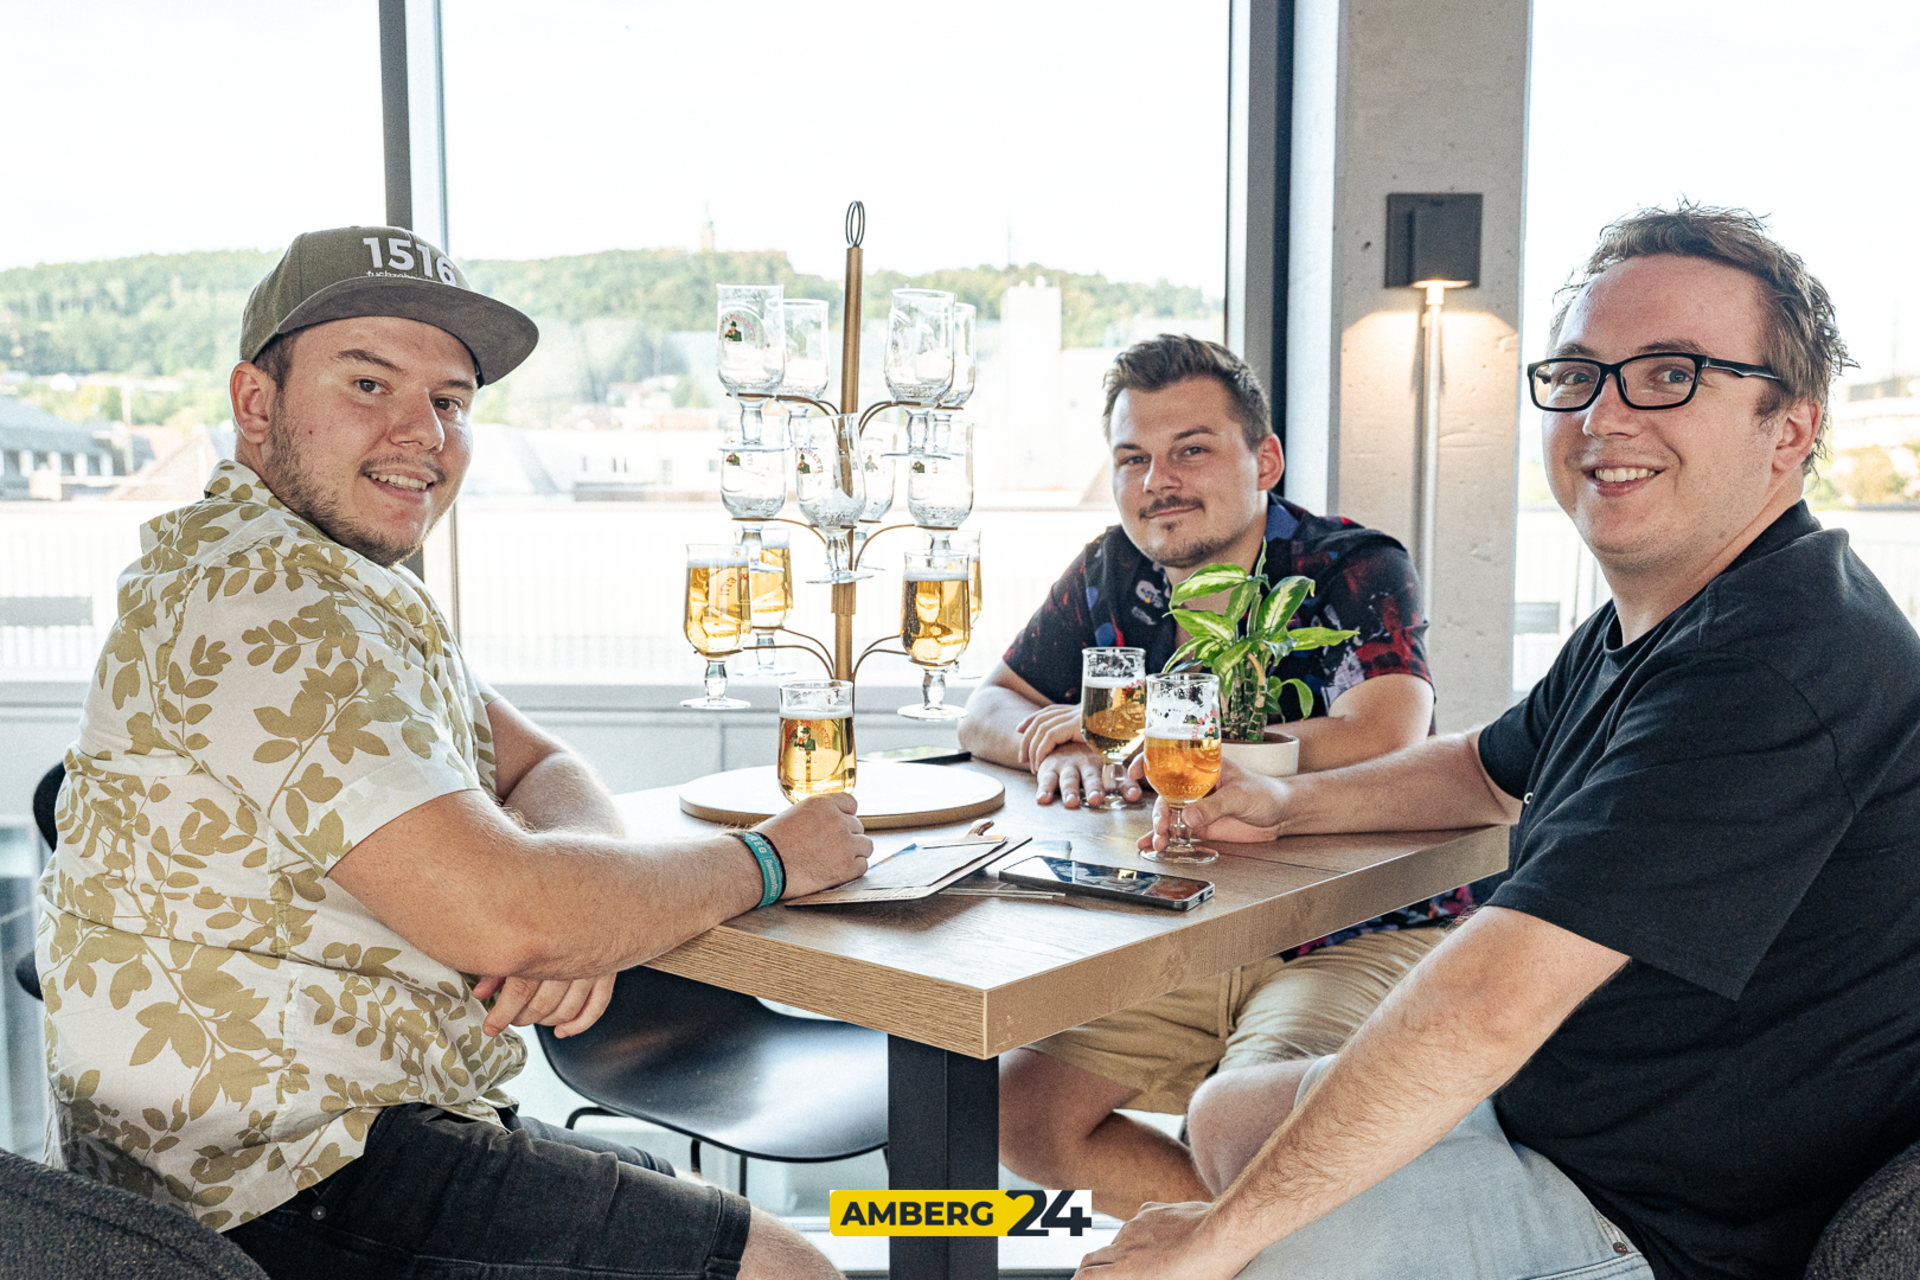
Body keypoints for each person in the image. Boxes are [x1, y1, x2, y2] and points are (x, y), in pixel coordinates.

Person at [1077, 205, 1920, 1280]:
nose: (1604, 416)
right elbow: (1485, 765)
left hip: (1655, 1215)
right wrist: (1291, 805)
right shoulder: (1675, 610)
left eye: (1669, 373)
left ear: (1788, 427)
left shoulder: (1780, 660)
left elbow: (1488, 1000)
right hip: (1571, 1105)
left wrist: (1220, 1238)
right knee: (1225, 1111)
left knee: (1233, 1245)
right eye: (1577, 375)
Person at [37, 226, 870, 1280]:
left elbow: (538, 766)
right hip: (276, 1182)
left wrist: (580, 919)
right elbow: (508, 916)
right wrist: (772, 860)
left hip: (328, 1136)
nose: (421, 430)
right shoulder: (271, 595)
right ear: (256, 403)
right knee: (789, 1270)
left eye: (451, 401)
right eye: (370, 381)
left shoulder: (327, 580)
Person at [958, 334, 1493, 1219]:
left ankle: (1242, 1244)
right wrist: (1055, 743)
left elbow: (1390, 725)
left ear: (1265, 459)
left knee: (1251, 1134)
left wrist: (1181, 744)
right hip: (1188, 929)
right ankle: (1246, 1250)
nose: (1157, 480)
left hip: (1353, 926)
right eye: (1134, 458)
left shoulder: (1351, 566)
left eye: (1191, 449)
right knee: (1021, 1114)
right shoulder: (1111, 568)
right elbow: (988, 708)